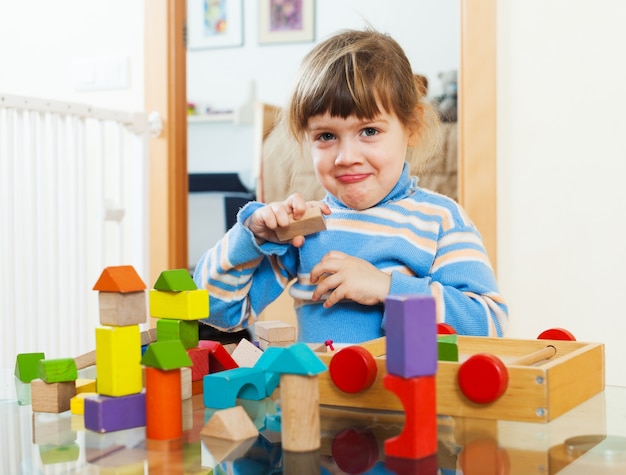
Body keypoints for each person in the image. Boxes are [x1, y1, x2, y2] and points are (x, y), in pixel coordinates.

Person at [193, 28, 508, 344]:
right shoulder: (307, 227)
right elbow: (215, 311)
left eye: (369, 131)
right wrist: (249, 239)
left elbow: (488, 324)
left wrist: (387, 288)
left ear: (412, 126)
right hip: (317, 394)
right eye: (326, 136)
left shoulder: (440, 218)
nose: (346, 157)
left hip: (406, 394)